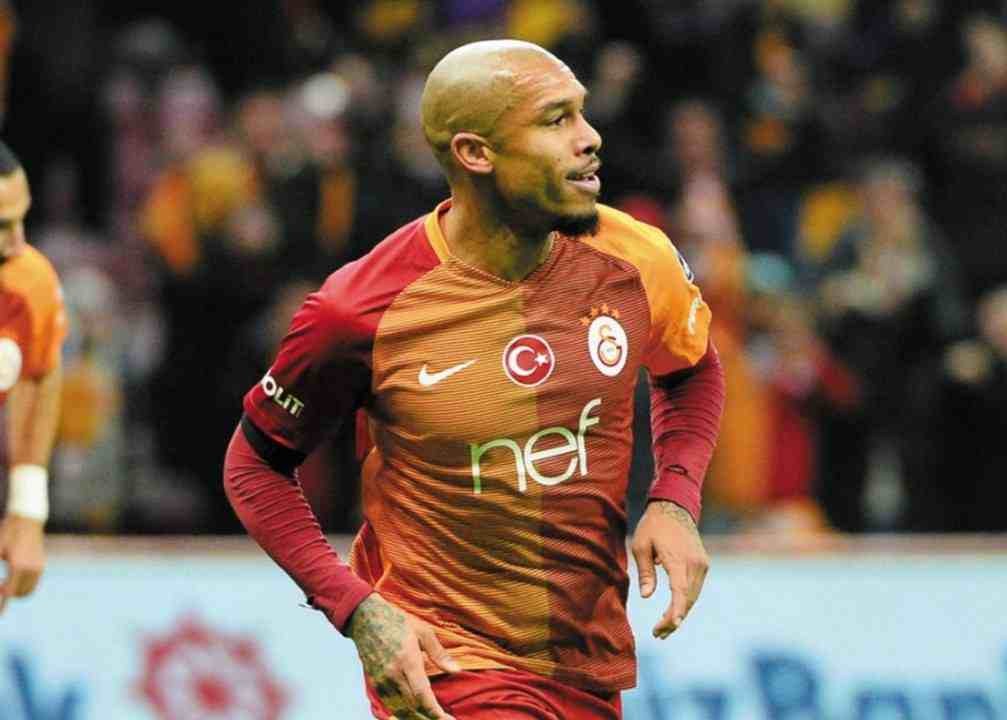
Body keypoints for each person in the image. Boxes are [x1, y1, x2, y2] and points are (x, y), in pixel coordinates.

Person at [224, 40, 724, 720]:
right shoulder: (362, 309)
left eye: (581, 113)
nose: (590, 138)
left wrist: (674, 498)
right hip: (452, 668)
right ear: (475, 154)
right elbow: (255, 463)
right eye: (556, 120)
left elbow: (691, 370)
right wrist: (357, 609)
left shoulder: (635, 257)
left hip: (587, 666)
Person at [0, 141, 67, 613]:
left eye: (21, 219)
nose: (18, 241)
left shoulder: (28, 282)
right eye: (0, 226)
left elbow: (40, 373)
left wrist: (27, 509)